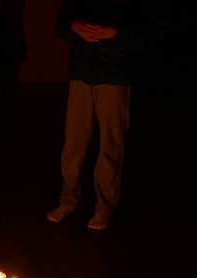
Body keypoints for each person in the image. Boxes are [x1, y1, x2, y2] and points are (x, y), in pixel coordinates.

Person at [47, 0, 142, 231]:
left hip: (114, 74)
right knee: (73, 142)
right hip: (81, 71)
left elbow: (149, 30)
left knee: (110, 144)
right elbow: (61, 24)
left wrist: (116, 33)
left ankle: (104, 206)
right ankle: (68, 200)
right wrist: (74, 26)